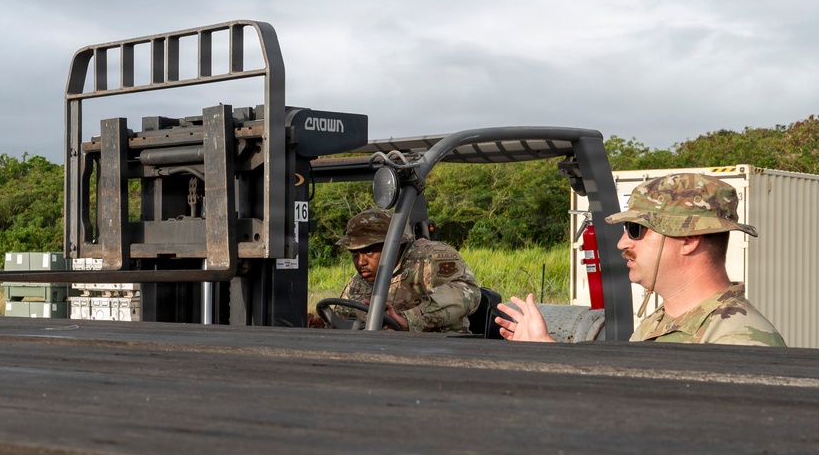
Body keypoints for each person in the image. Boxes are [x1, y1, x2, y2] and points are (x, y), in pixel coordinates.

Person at [496, 173, 786, 346]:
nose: (622, 242)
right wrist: (546, 348)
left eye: (636, 230)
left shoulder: (739, 340)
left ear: (688, 239)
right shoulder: (659, 322)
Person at [325, 208, 481, 332]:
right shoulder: (360, 280)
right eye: (354, 253)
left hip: (441, 349)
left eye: (369, 251)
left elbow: (468, 292)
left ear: (394, 244)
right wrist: (324, 324)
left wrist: (410, 318)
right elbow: (343, 316)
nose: (360, 262)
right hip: (383, 351)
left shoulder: (429, 258)